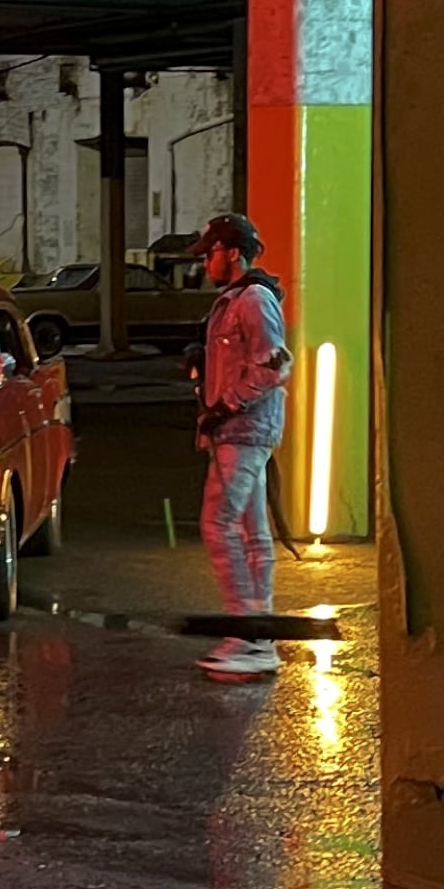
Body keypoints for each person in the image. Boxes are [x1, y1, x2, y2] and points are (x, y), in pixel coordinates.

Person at [188, 212, 293, 681]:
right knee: (252, 530)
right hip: (240, 430)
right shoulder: (237, 299)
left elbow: (274, 365)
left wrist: (226, 405)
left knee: (219, 523)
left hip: (244, 430)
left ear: (232, 252)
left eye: (209, 253)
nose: (204, 263)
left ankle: (247, 633)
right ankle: (258, 636)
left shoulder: (252, 299)